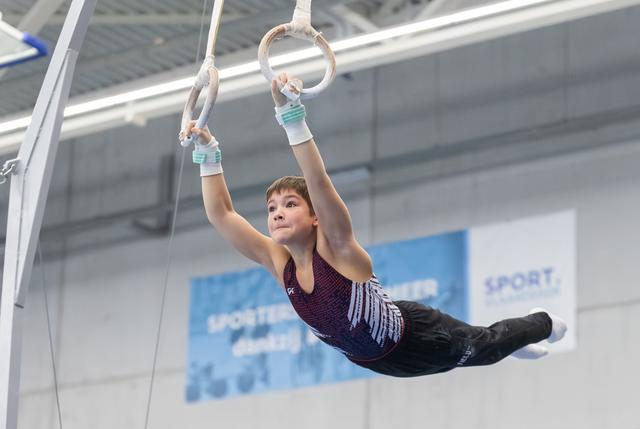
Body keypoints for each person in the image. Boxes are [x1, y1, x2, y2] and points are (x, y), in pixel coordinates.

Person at [180, 73, 567, 377]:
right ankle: (511, 343)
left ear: (316, 217)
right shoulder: (279, 263)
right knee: (483, 349)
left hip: (416, 338)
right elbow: (223, 215)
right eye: (272, 207)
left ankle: (544, 324)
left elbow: (318, 181)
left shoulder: (338, 250)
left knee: (482, 348)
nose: (277, 213)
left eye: (290, 204)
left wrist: (291, 118)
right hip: (372, 360)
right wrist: (208, 154)